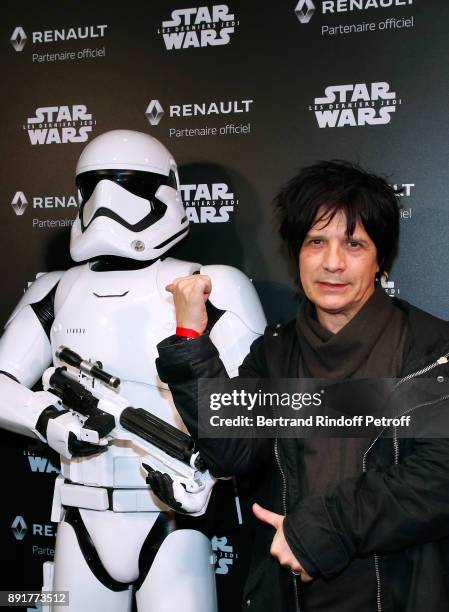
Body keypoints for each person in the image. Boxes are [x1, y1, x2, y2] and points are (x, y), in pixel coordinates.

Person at [154, 160, 449, 612]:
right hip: (287, 594)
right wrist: (191, 342)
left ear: (379, 259)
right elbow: (231, 450)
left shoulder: (431, 350)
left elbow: (438, 476)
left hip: (401, 594)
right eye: (316, 242)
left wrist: (322, 527)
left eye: (354, 244)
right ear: (296, 253)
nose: (333, 263)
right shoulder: (273, 352)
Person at [0, 130, 266, 612]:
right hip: (79, 514)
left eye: (129, 185)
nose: (109, 202)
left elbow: (249, 418)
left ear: (165, 190)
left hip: (173, 515)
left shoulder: (210, 284)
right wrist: (47, 419)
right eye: (95, 186)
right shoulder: (58, 291)